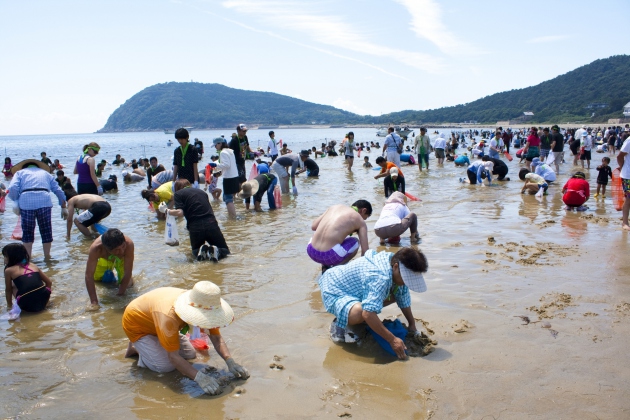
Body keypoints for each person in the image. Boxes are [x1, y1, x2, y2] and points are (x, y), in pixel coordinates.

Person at [122, 281, 249, 395]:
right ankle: (137, 347)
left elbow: (216, 338)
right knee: (166, 367)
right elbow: (173, 357)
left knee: (190, 354)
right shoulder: (169, 317)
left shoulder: (205, 303)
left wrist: (230, 362)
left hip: (158, 323)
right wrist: (200, 378)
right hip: (138, 326)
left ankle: (158, 343)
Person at [318, 247, 428, 358]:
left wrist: (412, 325)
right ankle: (339, 325)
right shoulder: (380, 276)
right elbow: (367, 313)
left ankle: (355, 317)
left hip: (354, 288)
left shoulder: (394, 263)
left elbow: (403, 297)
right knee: (361, 312)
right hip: (334, 288)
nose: (406, 283)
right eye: (406, 279)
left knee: (396, 292)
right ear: (395, 267)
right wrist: (392, 340)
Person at [8, 159, 68, 259]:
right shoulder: (46, 174)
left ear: (24, 167)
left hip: (26, 202)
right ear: (38, 167)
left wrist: (15, 199)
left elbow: (13, 187)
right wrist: (63, 206)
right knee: (46, 230)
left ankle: (28, 258)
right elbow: (58, 190)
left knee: (27, 232)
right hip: (44, 201)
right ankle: (47, 257)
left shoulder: (19, 173)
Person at [161, 180, 230, 261]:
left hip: (195, 226)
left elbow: (180, 212)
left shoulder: (178, 194)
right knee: (225, 251)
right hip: (211, 223)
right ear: (189, 185)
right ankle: (217, 250)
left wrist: (166, 210)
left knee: (195, 253)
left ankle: (201, 250)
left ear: (177, 188)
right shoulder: (202, 192)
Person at [308, 200, 372, 271]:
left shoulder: (334, 207)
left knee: (325, 237)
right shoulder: (359, 220)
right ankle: (335, 269)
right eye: (364, 218)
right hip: (329, 256)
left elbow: (313, 226)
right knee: (356, 242)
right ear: (363, 211)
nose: (363, 220)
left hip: (311, 251)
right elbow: (365, 252)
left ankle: (325, 267)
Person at [84, 228, 134, 306]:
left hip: (122, 260)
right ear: (106, 248)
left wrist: (120, 295)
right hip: (105, 259)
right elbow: (88, 275)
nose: (121, 252)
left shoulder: (128, 244)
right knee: (97, 280)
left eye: (123, 246)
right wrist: (94, 302)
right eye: (117, 250)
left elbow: (128, 272)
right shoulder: (96, 249)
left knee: (129, 285)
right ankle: (111, 272)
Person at [3, 243, 52, 312]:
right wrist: (47, 298)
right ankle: (44, 304)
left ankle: (17, 308)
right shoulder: (32, 265)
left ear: (11, 257)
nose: (4, 258)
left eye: (5, 256)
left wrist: (9, 306)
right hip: (44, 298)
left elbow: (8, 290)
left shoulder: (8, 271)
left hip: (26, 303)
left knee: (13, 286)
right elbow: (49, 282)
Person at [209, 137, 239, 218]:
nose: (215, 147)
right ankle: (232, 215)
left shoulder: (223, 152)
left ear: (220, 143)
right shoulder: (230, 151)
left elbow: (226, 165)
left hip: (229, 178)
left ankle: (233, 217)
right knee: (227, 197)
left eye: (215, 145)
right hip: (235, 176)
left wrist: (215, 165)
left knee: (228, 199)